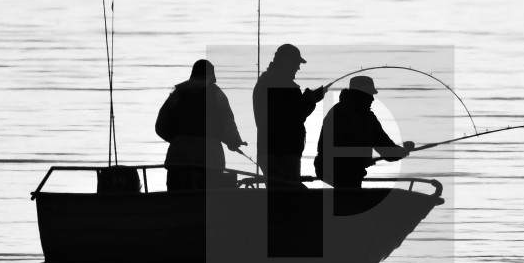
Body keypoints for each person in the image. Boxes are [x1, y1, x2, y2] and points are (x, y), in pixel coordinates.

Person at [155, 59, 246, 191]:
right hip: (210, 159)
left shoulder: (177, 94)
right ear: (212, 76)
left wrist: (178, 140)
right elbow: (228, 125)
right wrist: (234, 142)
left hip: (178, 158)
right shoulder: (217, 94)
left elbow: (161, 126)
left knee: (177, 198)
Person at [314, 75, 414, 189]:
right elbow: (335, 149)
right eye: (369, 94)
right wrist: (360, 160)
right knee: (350, 188)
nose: (372, 98)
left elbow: (384, 146)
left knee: (352, 186)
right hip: (331, 169)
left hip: (354, 172)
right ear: (359, 95)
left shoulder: (369, 117)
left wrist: (399, 152)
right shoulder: (338, 113)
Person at [252, 43, 326, 188]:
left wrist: (308, 99)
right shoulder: (283, 83)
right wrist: (311, 100)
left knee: (278, 195)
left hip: (268, 150)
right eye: (296, 63)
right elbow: (296, 114)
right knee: (288, 196)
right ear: (286, 61)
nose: (298, 68)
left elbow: (285, 111)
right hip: (283, 153)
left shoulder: (265, 80)